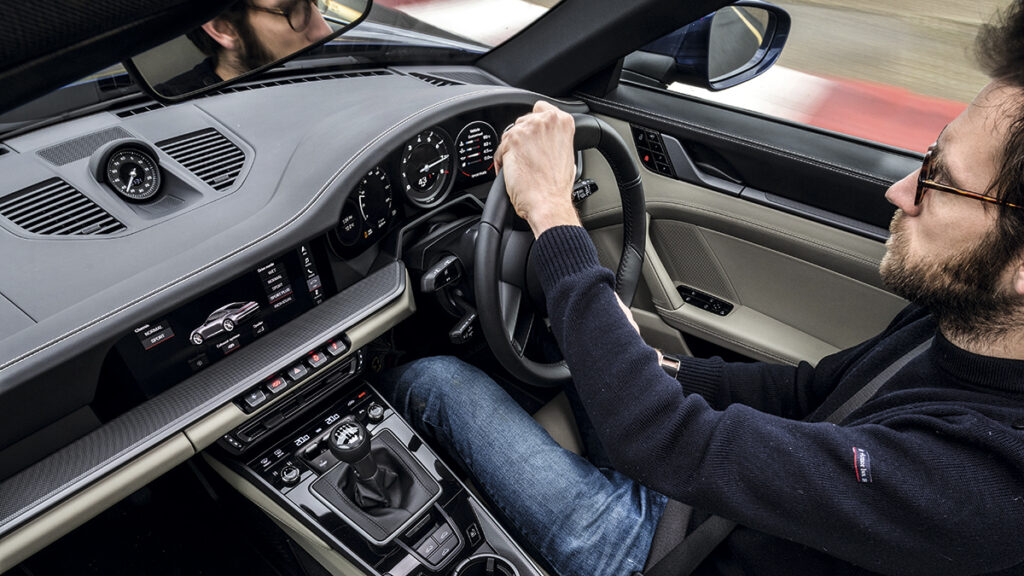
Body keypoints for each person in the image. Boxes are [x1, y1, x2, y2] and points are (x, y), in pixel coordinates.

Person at [379, 3, 1024, 576]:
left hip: (663, 553)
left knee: (433, 380)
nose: (899, 190)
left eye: (940, 178)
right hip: (713, 507)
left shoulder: (987, 490)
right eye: (927, 153)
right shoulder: (964, 323)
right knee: (567, 347)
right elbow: (805, 396)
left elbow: (667, 441)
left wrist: (550, 208)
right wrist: (661, 368)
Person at [157, 0, 332, 96]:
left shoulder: (325, 77)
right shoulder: (167, 105)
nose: (325, 30)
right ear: (223, 29)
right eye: (291, 11)